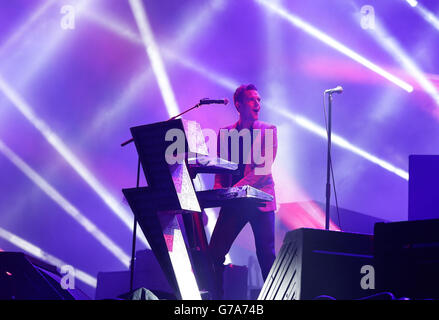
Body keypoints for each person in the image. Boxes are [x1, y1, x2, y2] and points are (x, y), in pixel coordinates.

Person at [208, 84, 277, 299]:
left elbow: (263, 171)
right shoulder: (226, 133)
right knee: (214, 255)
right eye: (252, 100)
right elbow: (220, 169)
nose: (258, 103)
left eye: (259, 99)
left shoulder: (268, 130)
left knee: (266, 256)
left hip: (259, 201)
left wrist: (234, 190)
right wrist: (218, 192)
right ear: (238, 105)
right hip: (235, 203)